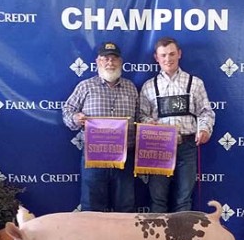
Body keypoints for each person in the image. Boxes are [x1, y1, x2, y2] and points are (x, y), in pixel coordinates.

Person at [139, 37, 215, 213]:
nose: (168, 59)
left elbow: (205, 112)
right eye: (163, 55)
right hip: (158, 147)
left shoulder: (195, 83)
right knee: (157, 199)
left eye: (172, 54)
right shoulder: (148, 86)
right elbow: (141, 115)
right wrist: (148, 123)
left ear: (179, 54)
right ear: (156, 58)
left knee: (184, 199)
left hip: (187, 145)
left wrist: (204, 129)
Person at [62, 42, 139, 212]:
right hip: (94, 158)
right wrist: (76, 117)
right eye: (106, 58)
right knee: (91, 207)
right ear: (98, 61)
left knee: (125, 207)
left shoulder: (131, 88)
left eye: (114, 58)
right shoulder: (85, 86)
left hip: (125, 158)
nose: (110, 62)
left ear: (121, 62)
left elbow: (140, 118)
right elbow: (67, 111)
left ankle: (124, 239)